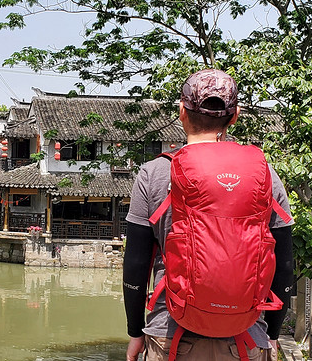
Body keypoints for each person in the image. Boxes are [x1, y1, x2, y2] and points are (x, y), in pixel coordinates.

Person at [122, 69, 294, 361]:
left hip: (170, 335)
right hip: (247, 338)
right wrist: (272, 334)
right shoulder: (264, 174)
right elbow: (284, 264)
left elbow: (136, 264)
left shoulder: (154, 174)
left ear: (181, 112)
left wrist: (135, 331)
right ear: (235, 115)